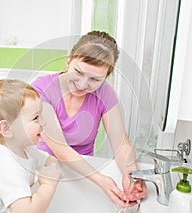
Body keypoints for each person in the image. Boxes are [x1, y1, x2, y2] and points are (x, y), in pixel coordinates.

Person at [31, 30, 147, 208]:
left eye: (95, 79)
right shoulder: (42, 88)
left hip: (83, 174)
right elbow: (59, 146)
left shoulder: (105, 94)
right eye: (78, 72)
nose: (83, 84)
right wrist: (101, 180)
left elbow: (121, 145)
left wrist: (131, 176)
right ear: (69, 59)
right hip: (44, 170)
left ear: (106, 77)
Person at [0, 79, 63, 213]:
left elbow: (50, 161)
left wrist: (53, 168)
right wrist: (48, 184)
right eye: (35, 118)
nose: (43, 122)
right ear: (6, 128)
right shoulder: (5, 165)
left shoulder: (25, 149)